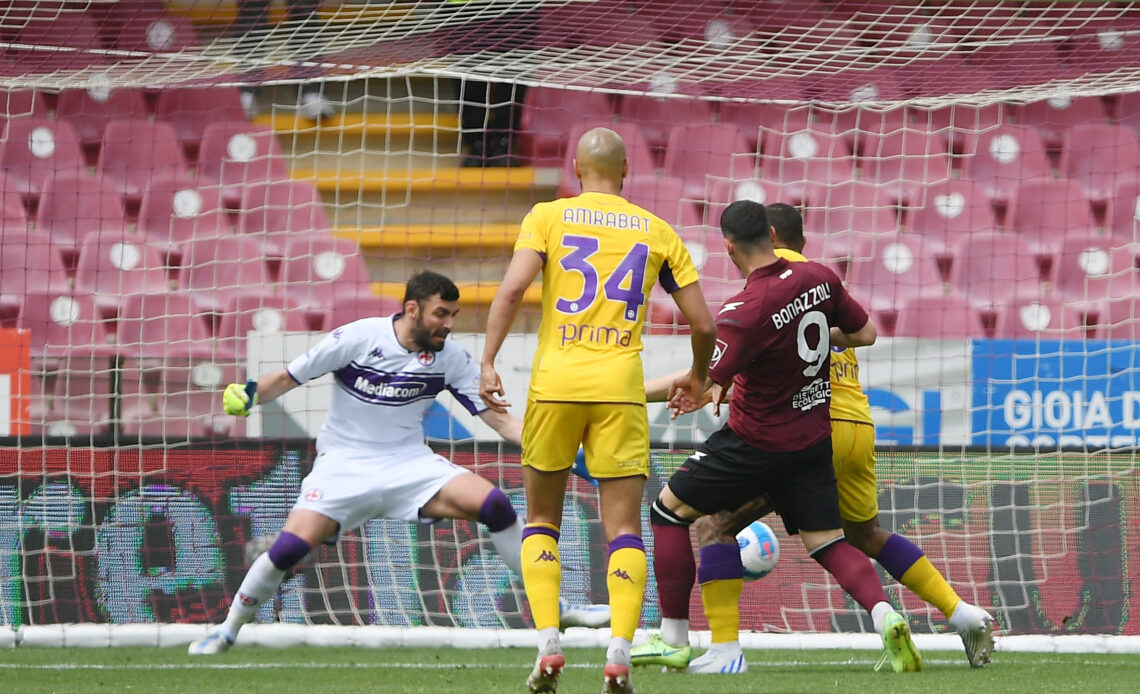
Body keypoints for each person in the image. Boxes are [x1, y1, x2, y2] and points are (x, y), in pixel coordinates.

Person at [632, 202, 997, 673]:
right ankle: (960, 614)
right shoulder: (820, 278)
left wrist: (633, 392)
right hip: (847, 426)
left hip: (781, 429)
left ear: (735, 244)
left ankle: (719, 649)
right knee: (856, 534)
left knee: (712, 525)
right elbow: (863, 333)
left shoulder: (750, 303)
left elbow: (710, 374)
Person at [188, 271, 606, 655]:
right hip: (343, 467)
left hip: (410, 466)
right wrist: (247, 394)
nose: (448, 323)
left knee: (495, 505)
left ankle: (556, 607)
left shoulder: (451, 359)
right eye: (441, 313)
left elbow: (502, 423)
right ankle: (228, 628)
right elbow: (286, 378)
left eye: (454, 315)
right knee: (289, 548)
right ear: (412, 309)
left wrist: (566, 454)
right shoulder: (356, 338)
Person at [479, 127, 717, 694]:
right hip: (620, 388)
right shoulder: (658, 231)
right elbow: (704, 324)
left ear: (576, 168)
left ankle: (548, 645)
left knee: (541, 522)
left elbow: (511, 292)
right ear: (627, 170)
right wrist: (700, 377)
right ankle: (618, 655)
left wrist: (488, 361)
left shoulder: (548, 216)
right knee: (623, 531)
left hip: (556, 383)